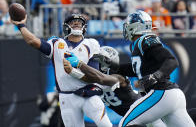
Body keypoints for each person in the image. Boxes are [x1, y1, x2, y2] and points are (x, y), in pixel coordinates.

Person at [64, 10, 195, 127]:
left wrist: (156, 76)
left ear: (137, 26)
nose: (126, 28)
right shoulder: (137, 45)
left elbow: (171, 61)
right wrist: (113, 65)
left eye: (129, 25)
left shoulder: (146, 39)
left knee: (126, 123)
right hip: (172, 96)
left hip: (162, 93)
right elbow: (134, 69)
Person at [10, 13, 112, 127]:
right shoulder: (57, 44)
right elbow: (33, 41)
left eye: (80, 22)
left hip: (89, 93)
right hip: (67, 97)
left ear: (84, 27)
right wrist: (21, 25)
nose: (77, 23)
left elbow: (94, 76)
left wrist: (73, 71)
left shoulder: (91, 44)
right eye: (73, 22)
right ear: (66, 26)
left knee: (106, 125)